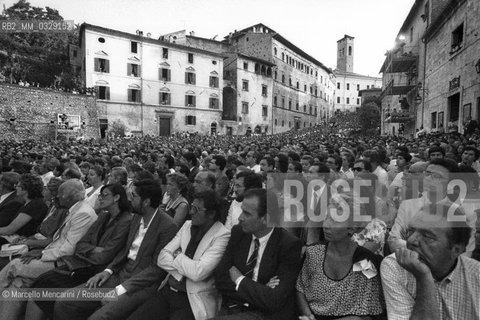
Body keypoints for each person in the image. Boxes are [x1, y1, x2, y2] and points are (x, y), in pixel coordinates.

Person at [53, 179, 177, 320]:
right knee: (64, 301)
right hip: (119, 274)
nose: (129, 198)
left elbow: (157, 269)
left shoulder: (167, 226)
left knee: (98, 317)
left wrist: (121, 288)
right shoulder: (137, 217)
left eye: (134, 195)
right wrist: (108, 271)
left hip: (140, 284)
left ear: (146, 202)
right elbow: (124, 251)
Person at [26, 183, 133, 320]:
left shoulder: (126, 221)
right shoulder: (103, 217)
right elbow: (80, 245)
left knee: (49, 288)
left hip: (98, 271)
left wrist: (88, 250)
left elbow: (105, 256)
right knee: (42, 282)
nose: (99, 198)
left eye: (104, 195)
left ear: (117, 197)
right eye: (99, 195)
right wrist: (94, 249)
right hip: (82, 265)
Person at [0, 179, 97, 319]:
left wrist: (42, 253)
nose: (57, 196)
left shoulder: (84, 213)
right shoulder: (75, 209)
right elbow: (57, 240)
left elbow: (68, 249)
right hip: (53, 254)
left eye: (61, 193)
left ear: (73, 195)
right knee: (19, 283)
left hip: (62, 262)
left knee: (14, 265)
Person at [126, 189, 230, 320]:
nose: (191, 212)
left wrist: (177, 255)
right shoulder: (133, 219)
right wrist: (108, 271)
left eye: (133, 196)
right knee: (103, 303)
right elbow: (161, 257)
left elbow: (198, 272)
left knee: (105, 310)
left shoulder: (222, 234)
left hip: (182, 296)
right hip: (133, 281)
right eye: (192, 207)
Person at [212, 188, 303, 320]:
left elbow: (275, 299)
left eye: (247, 214)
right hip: (233, 308)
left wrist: (239, 280)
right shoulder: (238, 232)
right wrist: (261, 290)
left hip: (266, 314)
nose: (240, 218)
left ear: (266, 218)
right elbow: (220, 279)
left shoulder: (288, 245)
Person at [381, 203, 480, 319]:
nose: (411, 240)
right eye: (411, 231)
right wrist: (424, 277)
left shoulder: (476, 275)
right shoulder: (396, 266)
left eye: (427, 236)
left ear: (456, 250)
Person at [296, 192, 386, 320]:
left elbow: (369, 311)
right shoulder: (314, 252)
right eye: (326, 217)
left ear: (352, 228)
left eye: (334, 221)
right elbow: (300, 288)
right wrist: (308, 315)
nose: (326, 225)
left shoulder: (363, 261)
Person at [388, 158, 477, 256]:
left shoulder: (465, 213)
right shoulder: (408, 206)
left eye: (437, 176)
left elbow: (465, 252)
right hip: (409, 263)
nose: (429, 179)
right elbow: (394, 240)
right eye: (428, 173)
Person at [0, 174, 48, 242]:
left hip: (21, 239)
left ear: (25, 189)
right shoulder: (28, 202)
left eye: (18, 186)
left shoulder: (35, 205)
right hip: (16, 238)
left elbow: (10, 230)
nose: (16, 188)